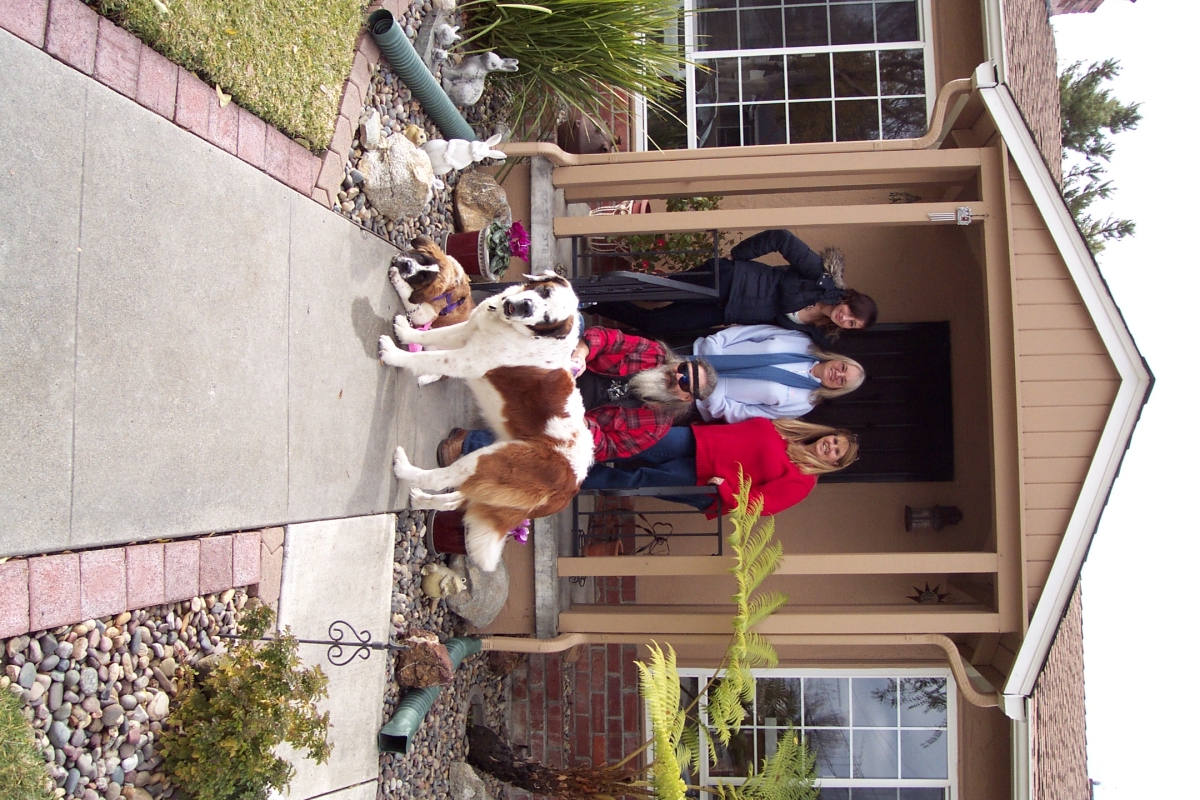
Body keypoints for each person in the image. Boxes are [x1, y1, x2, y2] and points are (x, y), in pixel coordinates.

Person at [437, 326, 718, 466]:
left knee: (557, 453)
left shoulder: (656, 426)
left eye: (686, 383)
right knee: (561, 330)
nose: (678, 376)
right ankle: (463, 357)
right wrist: (582, 353)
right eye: (684, 369)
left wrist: (581, 425)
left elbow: (606, 448)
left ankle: (469, 442)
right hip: (564, 371)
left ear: (686, 399)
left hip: (568, 416)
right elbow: (606, 338)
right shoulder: (653, 353)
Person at [592, 229, 878, 344]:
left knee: (655, 324)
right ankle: (593, 288)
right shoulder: (821, 278)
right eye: (852, 313)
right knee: (656, 291)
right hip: (730, 280)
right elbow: (781, 239)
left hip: (726, 312)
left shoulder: (815, 331)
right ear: (850, 299)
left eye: (852, 324)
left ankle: (594, 303)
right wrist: (737, 255)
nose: (845, 318)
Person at [581, 418, 858, 518]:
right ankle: (571, 446)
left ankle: (573, 477)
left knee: (638, 478)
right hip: (700, 440)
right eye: (834, 440)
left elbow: (761, 505)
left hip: (705, 480)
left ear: (833, 465)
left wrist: (726, 490)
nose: (830, 446)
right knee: (634, 443)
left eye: (836, 453)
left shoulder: (803, 482)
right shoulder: (794, 431)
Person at [692, 324, 865, 423]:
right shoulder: (802, 342)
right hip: (700, 352)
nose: (838, 374)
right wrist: (714, 347)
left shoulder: (805, 403)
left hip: (698, 396)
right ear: (838, 359)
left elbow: (749, 414)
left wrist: (710, 395)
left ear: (838, 390)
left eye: (842, 381)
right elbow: (751, 333)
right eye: (843, 368)